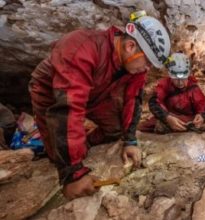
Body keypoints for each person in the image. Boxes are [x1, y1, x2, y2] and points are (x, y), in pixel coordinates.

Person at [29, 11, 171, 199]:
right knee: (57, 153)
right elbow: (68, 109)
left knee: (115, 129)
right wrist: (73, 174)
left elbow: (133, 99)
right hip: (53, 92)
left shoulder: (135, 68)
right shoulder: (82, 46)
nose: (147, 69)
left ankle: (81, 144)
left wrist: (130, 140)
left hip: (97, 91)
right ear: (130, 46)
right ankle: (70, 158)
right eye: (148, 63)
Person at [139, 53, 205, 133]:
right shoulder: (164, 85)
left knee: (190, 123)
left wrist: (201, 115)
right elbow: (154, 103)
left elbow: (202, 106)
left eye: (184, 78)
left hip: (187, 119)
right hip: (168, 116)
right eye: (176, 79)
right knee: (143, 126)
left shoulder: (193, 88)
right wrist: (167, 117)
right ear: (170, 76)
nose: (180, 83)